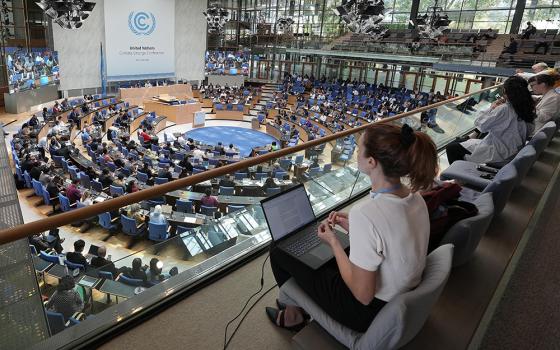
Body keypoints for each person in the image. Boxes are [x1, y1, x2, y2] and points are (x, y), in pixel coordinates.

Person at [265, 123, 438, 332]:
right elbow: (390, 236)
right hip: (398, 293)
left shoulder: (366, 213)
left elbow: (363, 295)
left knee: (278, 250)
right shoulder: (415, 197)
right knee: (320, 259)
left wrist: (334, 242)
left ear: (372, 162)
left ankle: (293, 315)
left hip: (365, 311)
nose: (356, 152)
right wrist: (356, 228)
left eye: (359, 149)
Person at [446, 76, 536, 165]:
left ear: (506, 91)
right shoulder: (528, 107)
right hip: (514, 149)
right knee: (460, 142)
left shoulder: (505, 109)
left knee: (451, 148)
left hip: (500, 153)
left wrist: (491, 108)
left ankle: (458, 177)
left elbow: (480, 125)